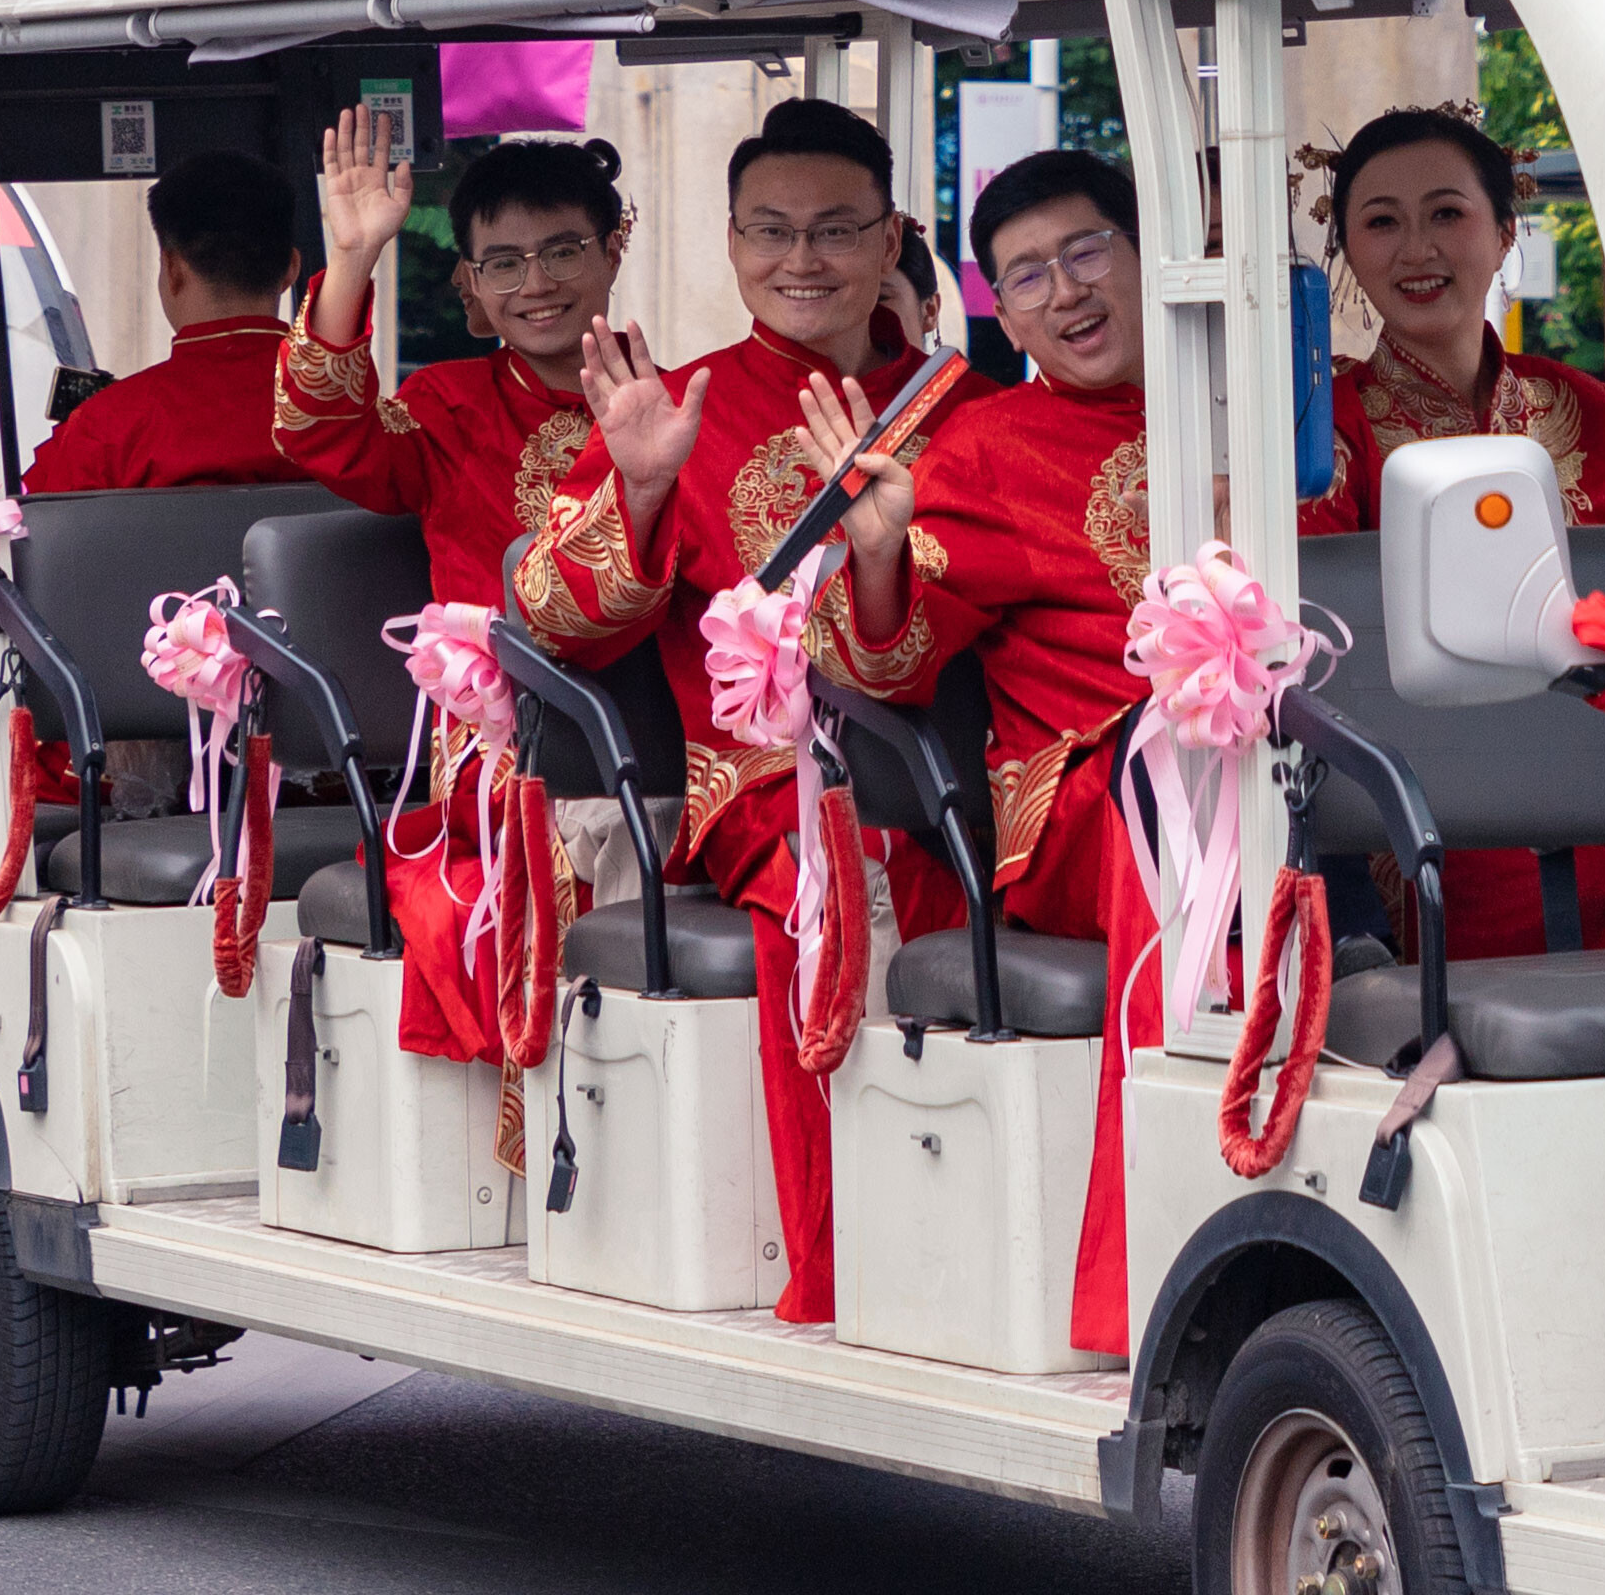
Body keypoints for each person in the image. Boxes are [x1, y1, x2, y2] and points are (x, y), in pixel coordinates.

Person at [513, 94, 944, 1329]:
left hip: (959, 766)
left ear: (890, 235)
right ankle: (845, 1270)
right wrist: (642, 487)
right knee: (834, 877)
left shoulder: (959, 405)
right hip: (761, 788)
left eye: (833, 229)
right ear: (731, 238)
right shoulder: (675, 406)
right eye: (769, 229)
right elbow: (557, 616)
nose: (799, 259)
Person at [814, 147, 1157, 1354]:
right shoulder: (985, 447)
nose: (1065, 292)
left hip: (1291, 774)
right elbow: (887, 668)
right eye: (1026, 277)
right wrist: (873, 551)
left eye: (1085, 251)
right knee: (1172, 802)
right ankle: (1149, 1278)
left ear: (1145, 245)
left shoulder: (1274, 406)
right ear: (999, 308)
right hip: (1086, 807)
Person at [1305, 105, 1605, 963]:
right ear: (1350, 252)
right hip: (1425, 801)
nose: (1417, 250)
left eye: (1447, 214)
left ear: (1505, 233)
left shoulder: (1578, 403)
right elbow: (1323, 649)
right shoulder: (1331, 425)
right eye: (1382, 223)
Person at [277, 116, 628, 604]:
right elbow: (318, 429)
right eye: (504, 264)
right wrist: (353, 254)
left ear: (613, 251)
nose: (537, 286)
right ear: (474, 281)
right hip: (493, 678)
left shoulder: (685, 404)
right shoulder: (448, 408)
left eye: (563, 253)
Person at [21, 147, 314, 495]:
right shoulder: (351, 418)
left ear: (172, 269)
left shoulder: (104, 429)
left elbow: (35, 525)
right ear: (291, 270)